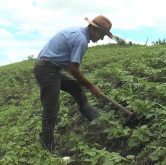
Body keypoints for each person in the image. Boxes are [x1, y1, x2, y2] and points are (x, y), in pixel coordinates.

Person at [33, 15, 114, 153]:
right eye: (102, 34)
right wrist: (91, 86)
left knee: (75, 87)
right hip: (47, 69)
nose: (101, 38)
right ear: (93, 29)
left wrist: (85, 84)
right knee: (51, 107)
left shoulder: (76, 32)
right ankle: (47, 146)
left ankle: (94, 118)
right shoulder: (81, 40)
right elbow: (74, 70)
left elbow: (72, 69)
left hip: (50, 68)